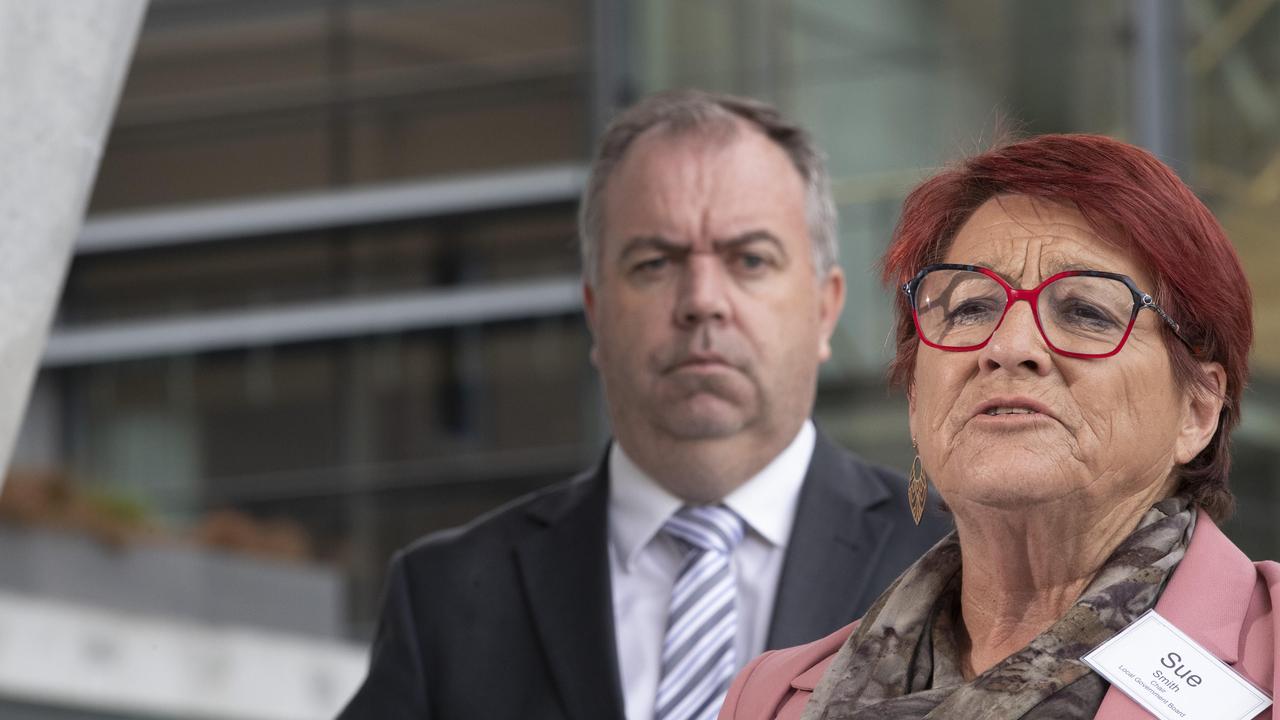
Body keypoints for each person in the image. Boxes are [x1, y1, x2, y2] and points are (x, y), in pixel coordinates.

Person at [338, 90, 951, 720]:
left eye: (750, 259)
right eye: (656, 262)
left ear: (825, 307)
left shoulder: (954, 561)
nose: (702, 300)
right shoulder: (446, 597)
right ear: (596, 312)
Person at [718, 132, 1280, 720]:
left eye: (1086, 311)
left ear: (1197, 409)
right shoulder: (768, 698)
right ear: (916, 397)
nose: (1008, 347)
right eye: (970, 308)